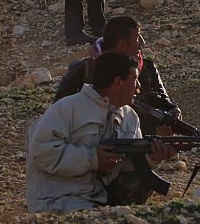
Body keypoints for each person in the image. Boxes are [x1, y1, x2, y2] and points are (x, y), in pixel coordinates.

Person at [26, 51, 177, 213]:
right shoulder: (67, 109)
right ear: (118, 82)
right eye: (134, 79)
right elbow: (41, 153)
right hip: (59, 199)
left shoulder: (130, 117)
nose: (139, 86)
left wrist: (151, 157)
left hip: (102, 199)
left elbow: (130, 164)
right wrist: (92, 158)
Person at [52, 16, 181, 134]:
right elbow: (59, 117)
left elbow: (159, 102)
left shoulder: (147, 68)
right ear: (122, 45)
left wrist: (171, 112)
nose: (142, 43)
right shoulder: (83, 70)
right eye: (137, 37)